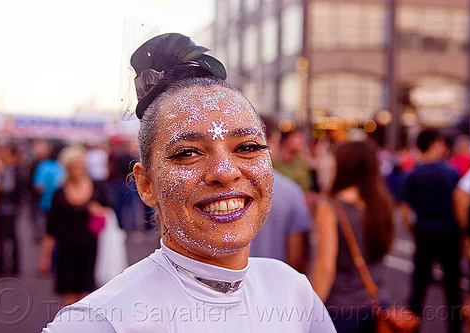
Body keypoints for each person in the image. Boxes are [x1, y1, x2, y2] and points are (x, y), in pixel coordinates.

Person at [42, 33, 335, 332]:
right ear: (146, 185)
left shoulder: (293, 292)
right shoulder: (100, 323)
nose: (224, 171)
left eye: (247, 147)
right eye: (187, 153)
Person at [310, 140, 394, 333]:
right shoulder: (383, 203)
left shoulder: (331, 208)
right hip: (378, 302)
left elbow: (325, 267)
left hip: (342, 309)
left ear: (343, 165)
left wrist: (310, 311)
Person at [399, 129, 462, 333]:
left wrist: (415, 229)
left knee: (418, 287)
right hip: (450, 234)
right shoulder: (451, 172)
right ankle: (455, 328)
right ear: (434, 144)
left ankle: (411, 326)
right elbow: (460, 204)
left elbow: (405, 211)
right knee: (453, 287)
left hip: (424, 233)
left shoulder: (412, 175)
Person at [39, 146, 109, 306]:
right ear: (67, 168)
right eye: (75, 165)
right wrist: (45, 258)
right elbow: (51, 229)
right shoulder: (59, 193)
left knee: (87, 294)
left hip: (90, 248)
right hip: (66, 250)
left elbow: (109, 212)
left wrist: (99, 211)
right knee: (68, 296)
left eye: (82, 165)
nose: (80, 169)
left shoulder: (97, 188)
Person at [250, 114, 312, 274]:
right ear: (269, 143)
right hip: (275, 283)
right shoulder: (291, 191)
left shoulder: (222, 186)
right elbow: (296, 257)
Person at [0, 145, 22, 276]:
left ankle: (5, 266)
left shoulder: (9, 170)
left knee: (5, 238)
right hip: (10, 208)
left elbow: (6, 188)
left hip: (7, 208)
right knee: (10, 238)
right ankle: (11, 265)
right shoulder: (13, 170)